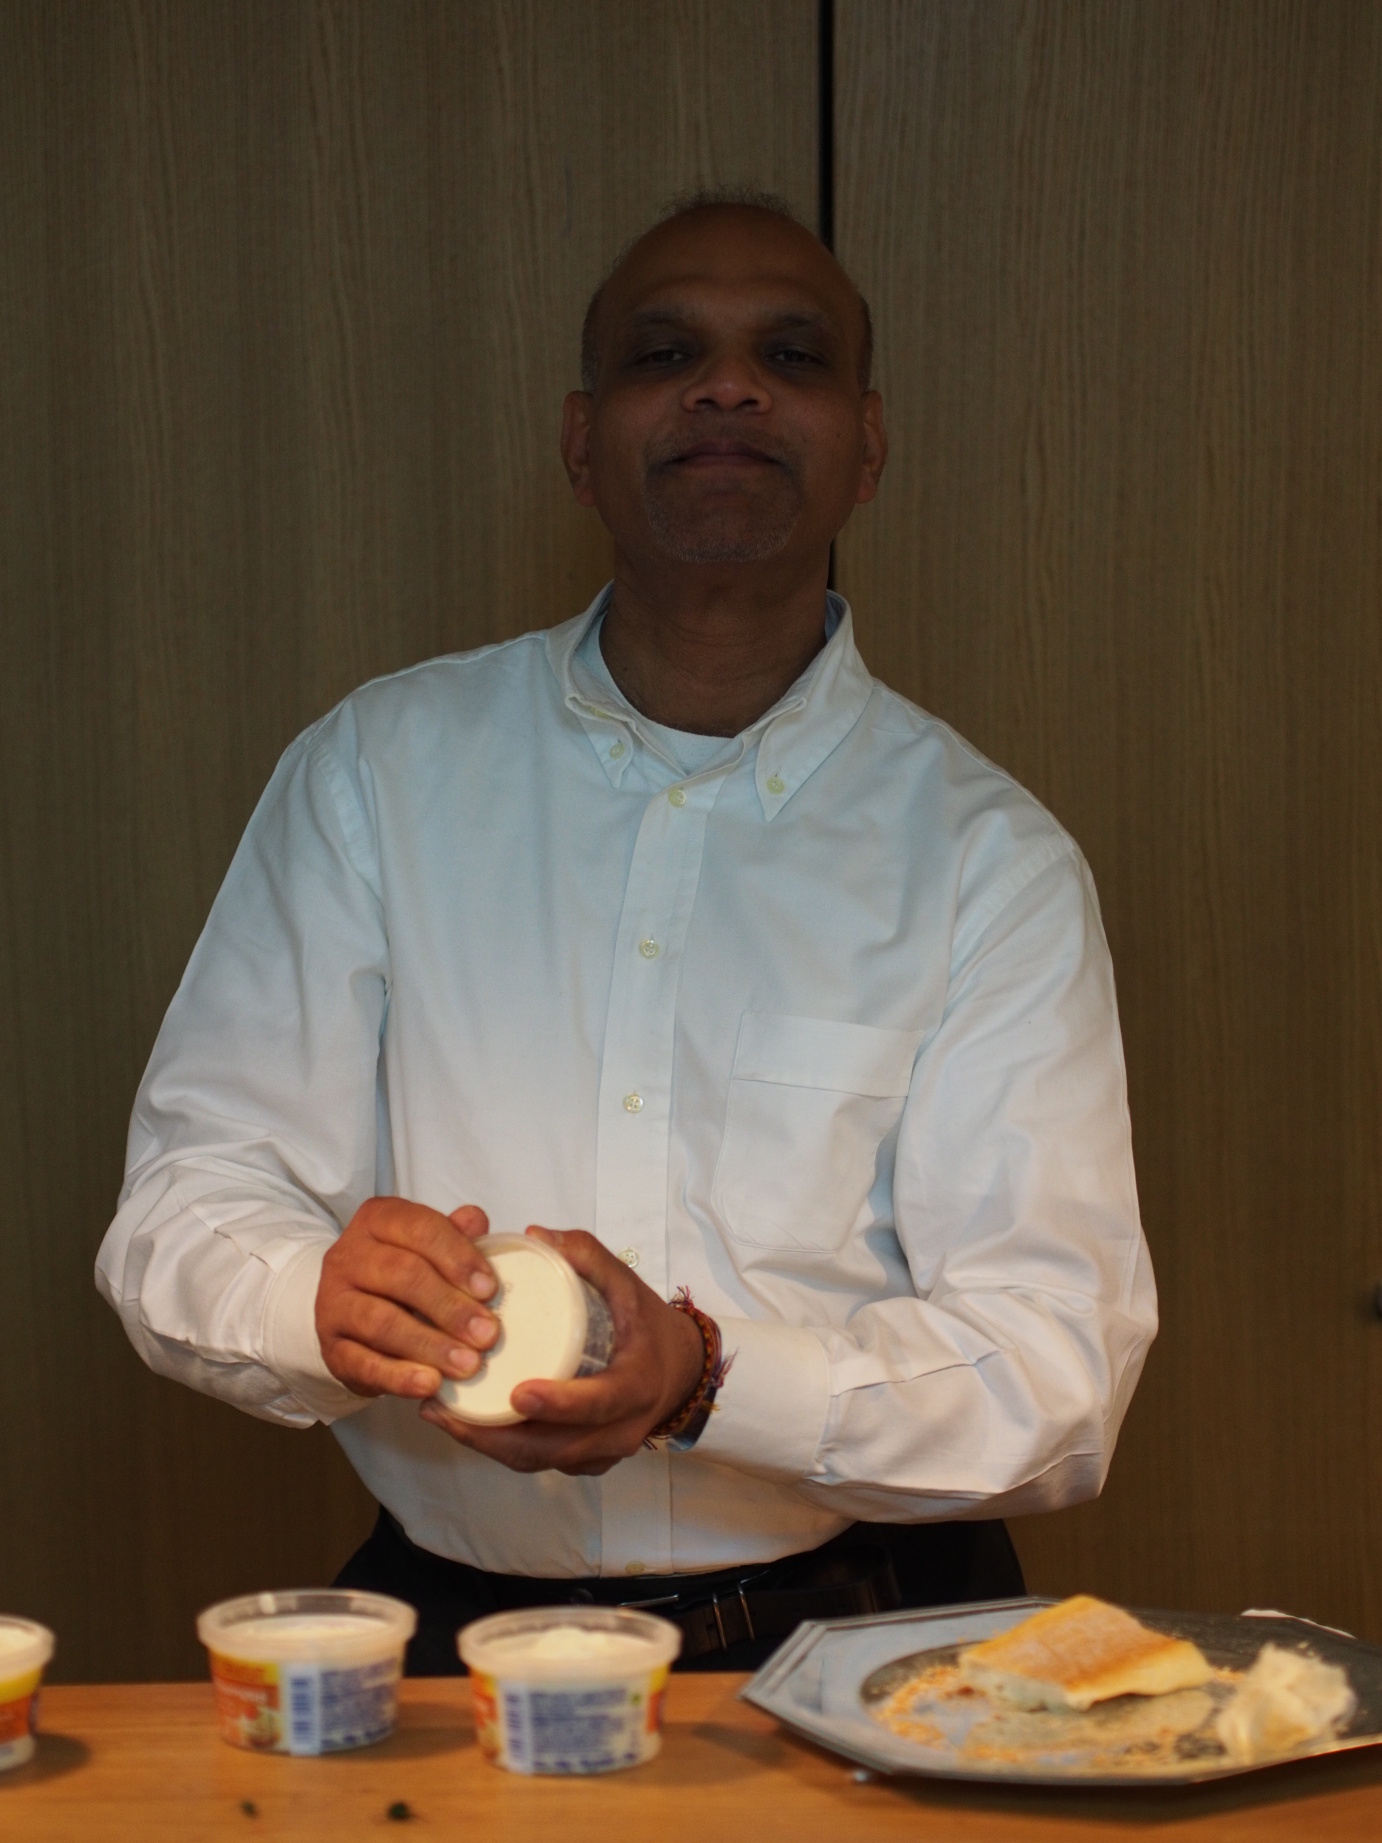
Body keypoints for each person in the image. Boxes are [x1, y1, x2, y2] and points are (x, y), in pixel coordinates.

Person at [96, 192, 1156, 1673]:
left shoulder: (991, 860)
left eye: (789, 356)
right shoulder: (377, 773)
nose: (728, 388)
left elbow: (1056, 1369)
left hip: (869, 1641)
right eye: (668, 354)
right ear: (581, 442)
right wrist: (305, 1298)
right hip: (453, 1638)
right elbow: (187, 1198)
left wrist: (709, 1378)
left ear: (867, 446)